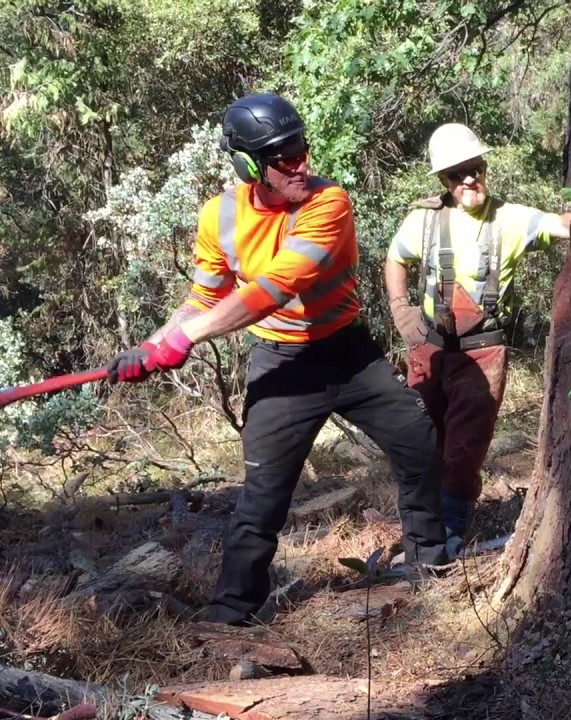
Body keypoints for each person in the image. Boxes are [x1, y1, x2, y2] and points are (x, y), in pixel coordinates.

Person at [107, 92, 449, 625]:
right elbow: (202, 298)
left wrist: (188, 338)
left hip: (349, 355)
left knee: (419, 445)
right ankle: (231, 611)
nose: (301, 165)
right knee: (263, 494)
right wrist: (156, 342)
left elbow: (274, 287)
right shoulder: (219, 216)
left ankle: (429, 563)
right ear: (250, 164)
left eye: (302, 150)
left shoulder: (328, 203)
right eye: (284, 158)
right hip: (282, 366)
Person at [384, 123, 570, 553]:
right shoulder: (424, 221)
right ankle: (418, 527)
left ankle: (451, 531)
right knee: (419, 439)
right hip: (429, 349)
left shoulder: (509, 218)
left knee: (465, 447)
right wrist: (400, 309)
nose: (469, 178)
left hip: (482, 352)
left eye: (475, 168)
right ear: (443, 181)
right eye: (457, 173)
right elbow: (396, 258)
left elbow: (560, 225)